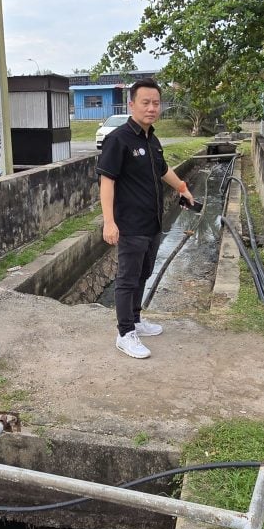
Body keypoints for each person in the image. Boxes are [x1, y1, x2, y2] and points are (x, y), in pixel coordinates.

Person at [96, 78, 195, 358]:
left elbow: (163, 170)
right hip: (129, 223)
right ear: (131, 105)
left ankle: (136, 320)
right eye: (145, 103)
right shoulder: (118, 140)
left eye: (156, 103)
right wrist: (109, 221)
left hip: (152, 222)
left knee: (144, 273)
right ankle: (124, 333)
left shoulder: (152, 139)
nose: (151, 108)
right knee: (127, 278)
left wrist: (184, 189)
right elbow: (107, 181)